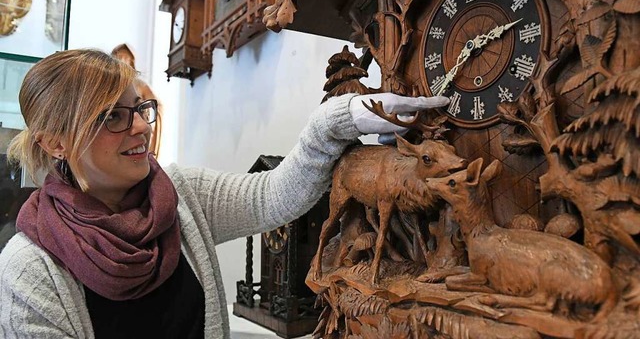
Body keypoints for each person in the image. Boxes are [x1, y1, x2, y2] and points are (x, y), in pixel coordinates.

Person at [0, 49, 448, 338]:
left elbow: (272, 197)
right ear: (55, 142)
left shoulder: (180, 194)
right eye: (111, 117)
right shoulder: (29, 271)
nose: (139, 127)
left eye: (140, 109)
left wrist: (339, 118)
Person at [111, 43, 162, 158]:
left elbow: (155, 105)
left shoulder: (139, 84)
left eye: (126, 58)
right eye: (119, 58)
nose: (123, 62)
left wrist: (144, 111)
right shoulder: (109, 87)